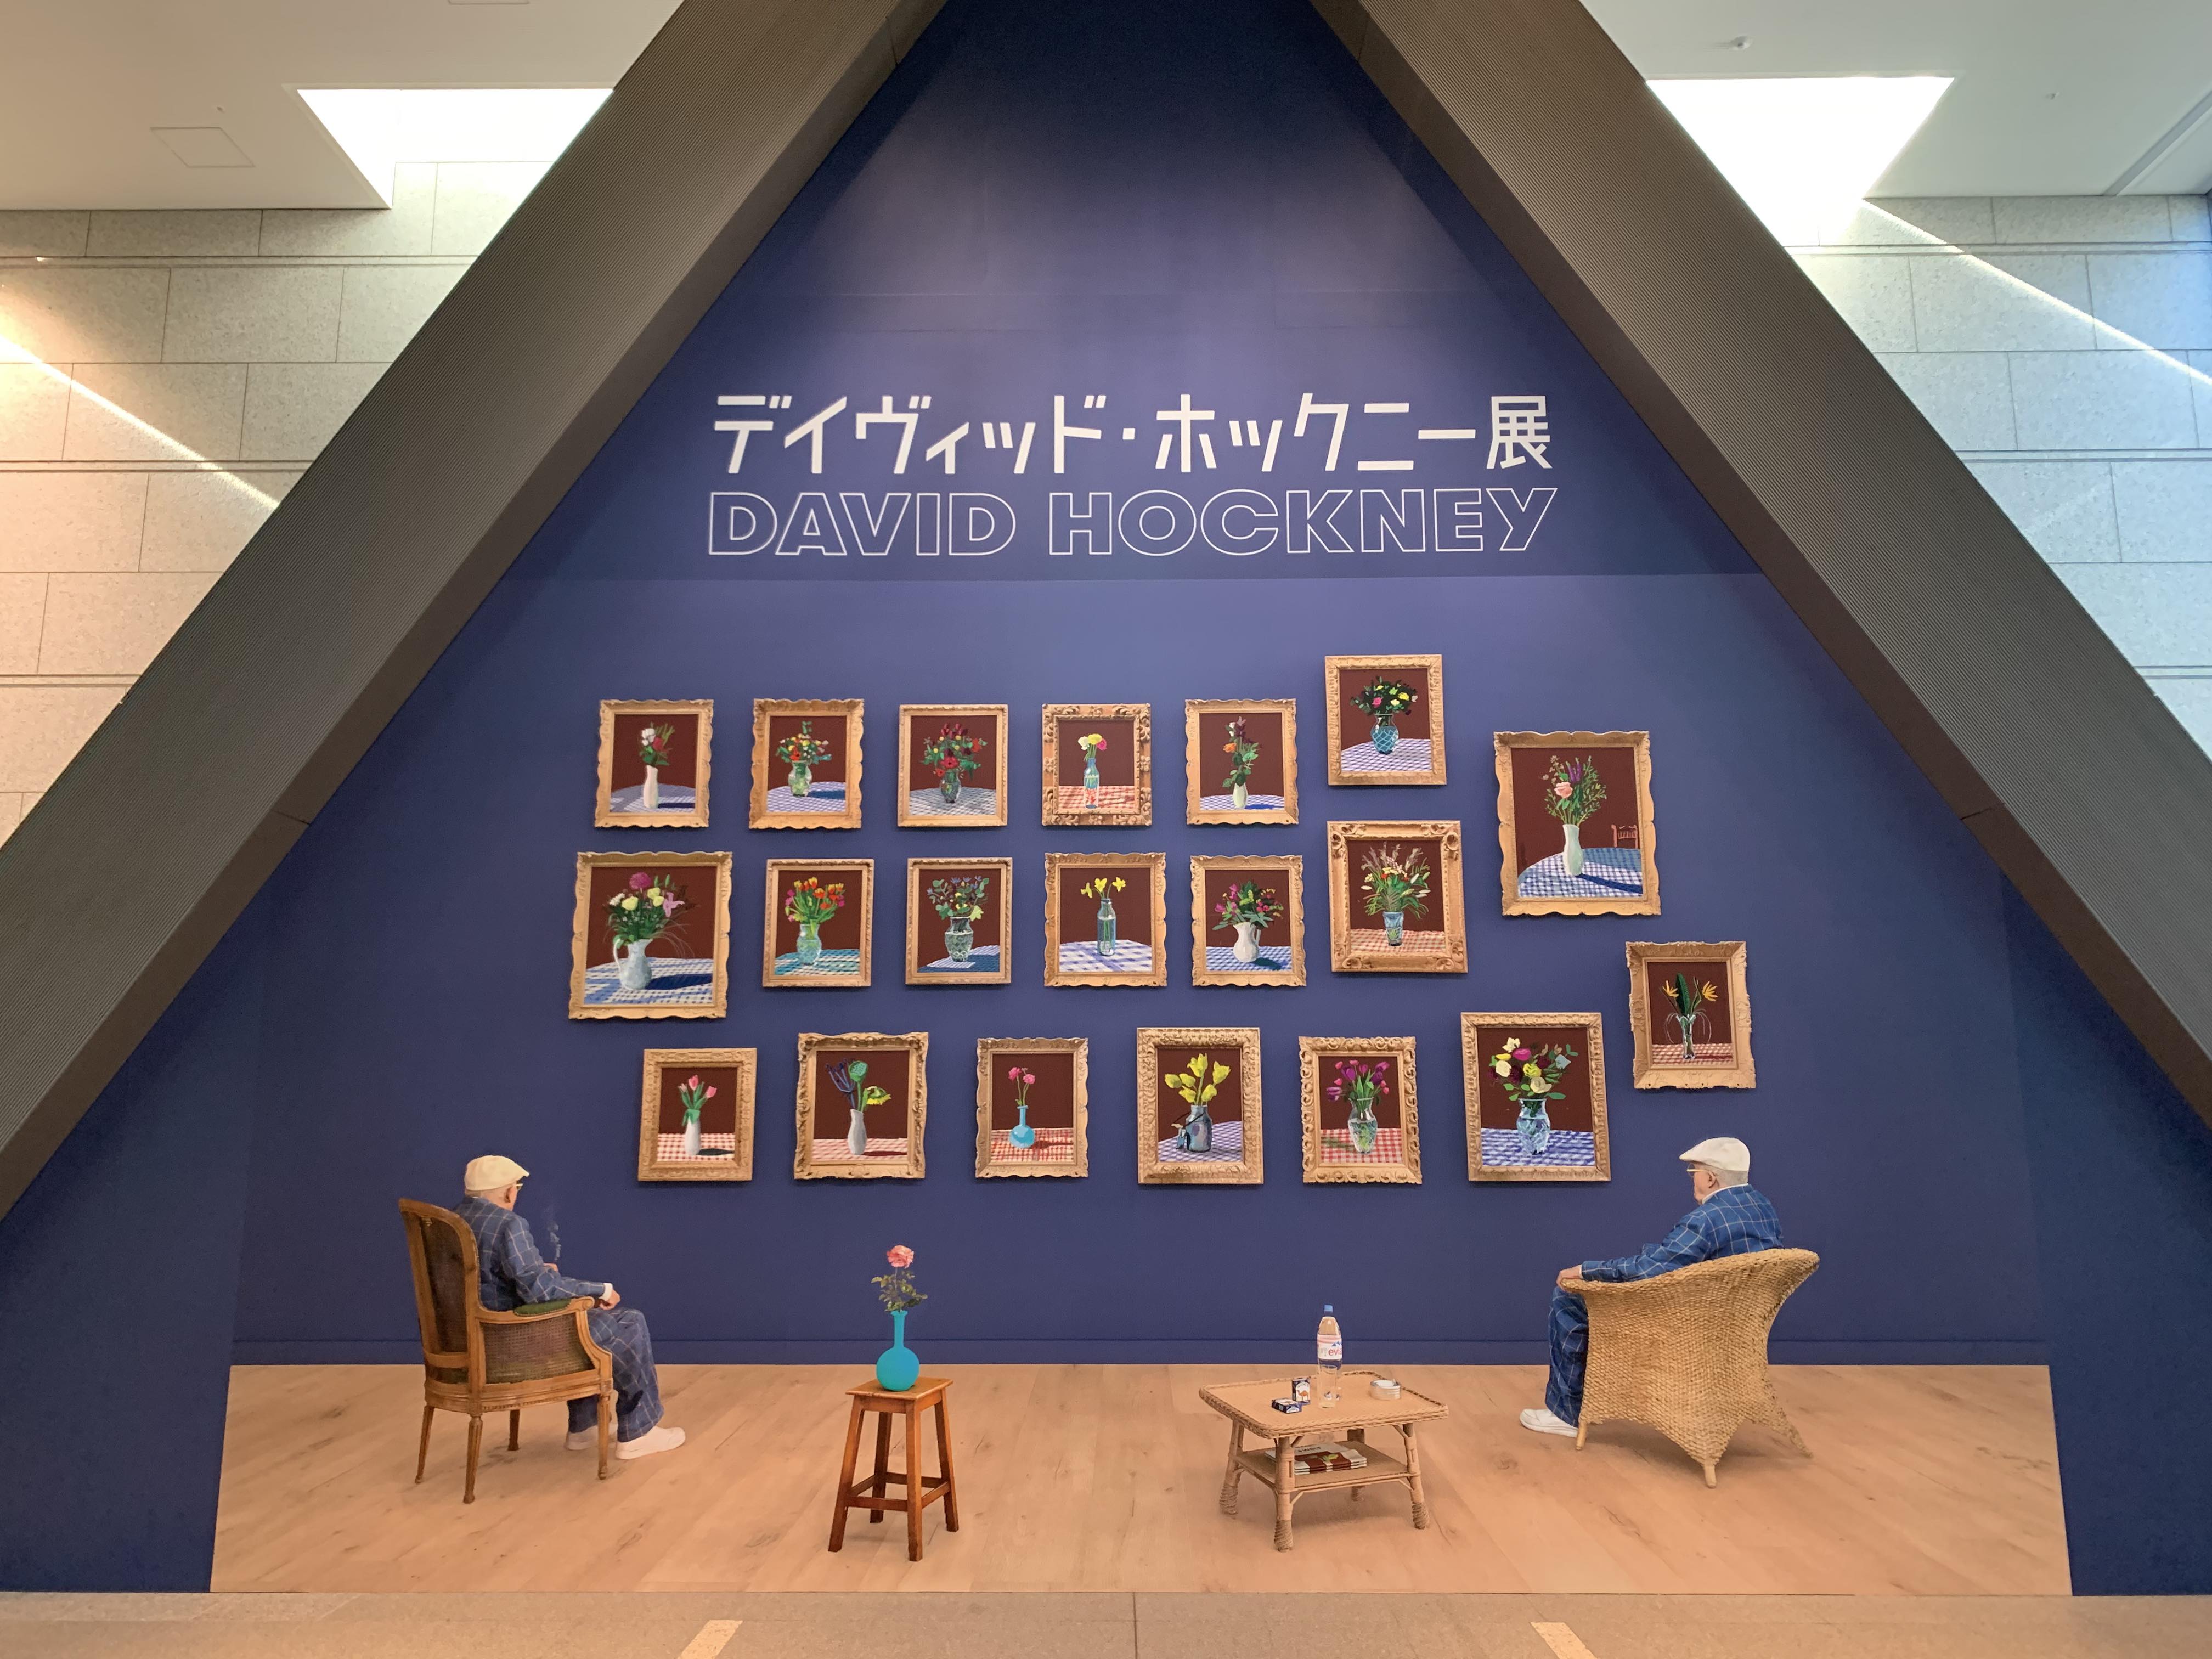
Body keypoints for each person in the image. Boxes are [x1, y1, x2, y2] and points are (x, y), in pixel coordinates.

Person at [1520, 1137, 1781, 1438]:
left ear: (1710, 1178)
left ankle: (1565, 1414)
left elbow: (1647, 1271)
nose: (1692, 1178)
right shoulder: (1763, 1208)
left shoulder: (1705, 1220)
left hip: (1691, 1326)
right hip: (1735, 1325)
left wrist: (1586, 1271)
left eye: (1694, 1171)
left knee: (1568, 1298)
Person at [455, 1155, 685, 1461]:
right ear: (509, 1192)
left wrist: (539, 1271)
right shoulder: (508, 1224)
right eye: (517, 1188)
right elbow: (541, 1292)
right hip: (514, 1345)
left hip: (476, 1342)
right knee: (628, 1322)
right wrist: (600, 1289)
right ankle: (639, 1432)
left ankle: (585, 1427)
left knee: (587, 1323)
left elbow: (489, 1277)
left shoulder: (453, 1221)